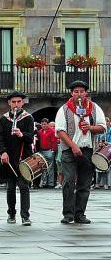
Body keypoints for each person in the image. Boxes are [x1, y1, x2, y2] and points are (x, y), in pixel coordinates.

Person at [54, 80, 106, 224]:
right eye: (76, 92)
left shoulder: (94, 108)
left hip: (88, 150)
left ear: (86, 93)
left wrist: (90, 127)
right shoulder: (64, 109)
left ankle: (80, 214)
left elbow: (102, 127)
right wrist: (73, 146)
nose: (79, 94)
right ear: (71, 93)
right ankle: (68, 214)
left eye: (81, 91)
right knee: (68, 181)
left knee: (84, 183)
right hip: (69, 150)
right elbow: (60, 131)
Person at [0, 91, 35, 225]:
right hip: (9, 158)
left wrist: (22, 134)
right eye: (13, 102)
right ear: (9, 103)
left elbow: (31, 138)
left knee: (24, 187)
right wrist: (3, 152)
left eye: (18, 102)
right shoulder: (4, 118)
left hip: (24, 158)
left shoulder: (28, 118)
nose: (16, 104)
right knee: (10, 187)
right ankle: (11, 213)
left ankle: (25, 216)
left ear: (23, 102)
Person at [38, 118, 58, 188]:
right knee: (43, 167)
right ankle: (44, 183)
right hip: (42, 151)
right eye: (42, 124)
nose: (43, 125)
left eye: (45, 124)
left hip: (49, 150)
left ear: (47, 124)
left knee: (50, 167)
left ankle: (51, 183)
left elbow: (54, 141)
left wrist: (53, 150)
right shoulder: (40, 131)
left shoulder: (52, 131)